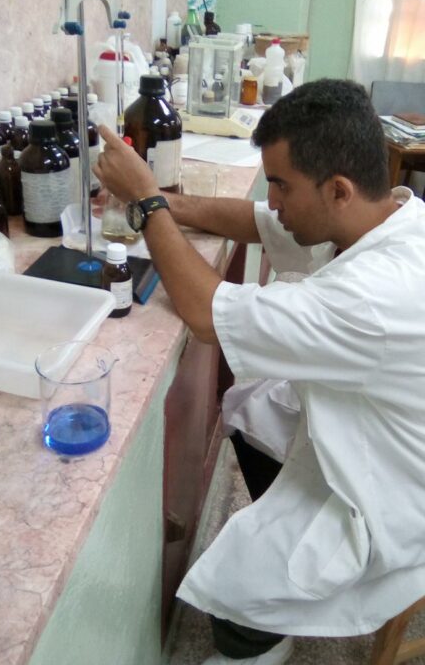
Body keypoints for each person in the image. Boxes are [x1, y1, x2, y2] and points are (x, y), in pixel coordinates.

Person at [93, 79, 425, 665]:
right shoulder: (390, 215)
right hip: (379, 423)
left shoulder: (374, 298)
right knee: (252, 404)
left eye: (281, 185)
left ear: (340, 190)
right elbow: (255, 221)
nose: (272, 200)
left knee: (241, 581)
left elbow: (204, 315)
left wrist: (146, 201)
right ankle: (279, 599)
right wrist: (171, 203)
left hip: (395, 492)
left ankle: (259, 638)